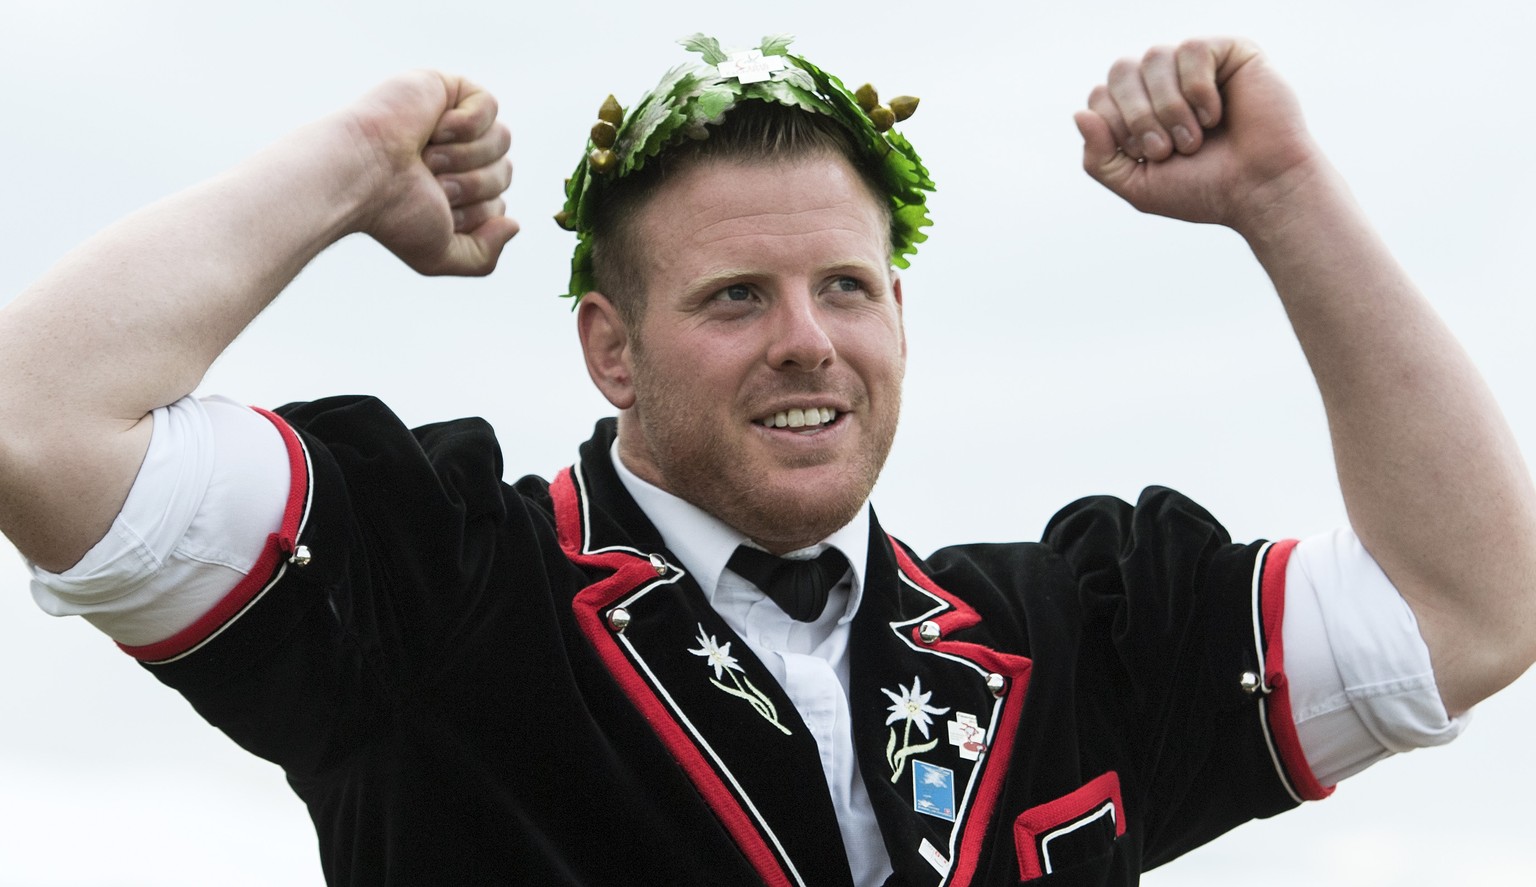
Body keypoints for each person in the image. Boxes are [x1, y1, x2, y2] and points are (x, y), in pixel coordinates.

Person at [1, 32, 1531, 886]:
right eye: (736, 297)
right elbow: (35, 421)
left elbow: (1474, 609)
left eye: (845, 287)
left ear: (900, 321)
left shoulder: (1065, 638)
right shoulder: (442, 587)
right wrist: (349, 161)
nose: (808, 340)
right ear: (610, 349)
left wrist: (1284, 193)